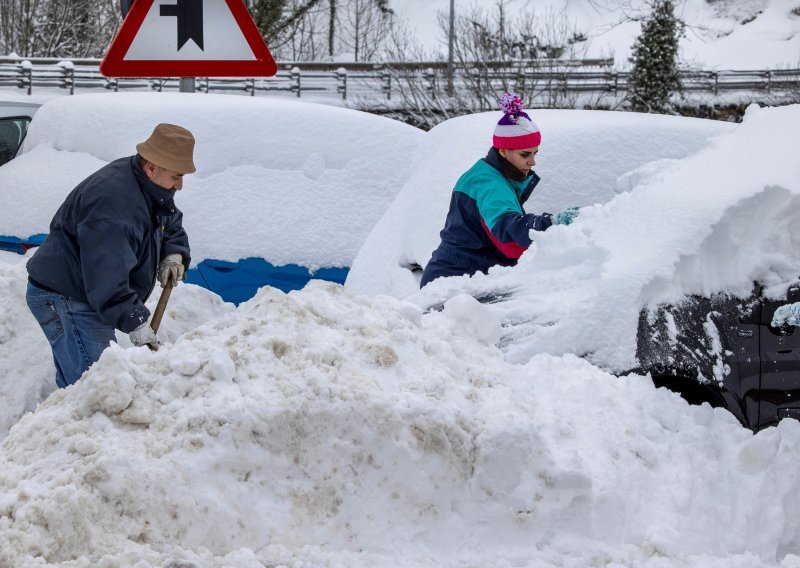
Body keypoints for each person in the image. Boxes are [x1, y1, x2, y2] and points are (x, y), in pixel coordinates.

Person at [25, 123, 195, 388]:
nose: (180, 185)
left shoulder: (147, 185)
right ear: (151, 167)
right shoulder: (114, 203)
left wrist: (174, 253)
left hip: (87, 293)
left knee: (84, 384)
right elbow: (107, 275)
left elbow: (169, 220)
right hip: (66, 297)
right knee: (98, 388)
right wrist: (135, 321)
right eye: (176, 176)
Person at [420, 93, 573, 288]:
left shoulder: (489, 173)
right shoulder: (489, 183)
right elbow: (506, 226)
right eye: (525, 154)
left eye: (535, 153)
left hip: (462, 277)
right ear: (503, 150)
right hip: (455, 284)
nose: (532, 162)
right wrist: (549, 224)